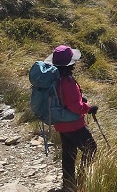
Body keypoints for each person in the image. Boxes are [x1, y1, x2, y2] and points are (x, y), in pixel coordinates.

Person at [47, 45, 98, 192]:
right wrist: (89, 108)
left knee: (69, 152)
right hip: (73, 124)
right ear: (70, 63)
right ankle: (83, 181)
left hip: (61, 123)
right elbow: (75, 106)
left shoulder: (54, 78)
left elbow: (65, 100)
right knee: (91, 148)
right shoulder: (68, 81)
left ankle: (69, 185)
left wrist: (81, 100)